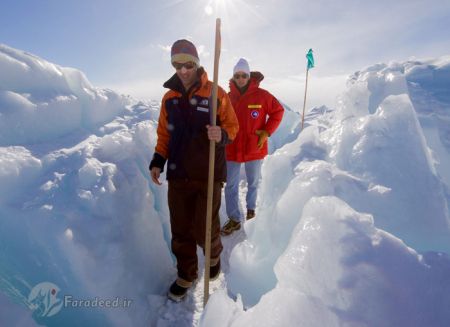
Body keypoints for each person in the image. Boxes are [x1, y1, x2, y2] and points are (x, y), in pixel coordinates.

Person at [149, 39, 239, 302]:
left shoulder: (216, 94)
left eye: (188, 64)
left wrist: (220, 133)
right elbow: (164, 134)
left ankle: (213, 256)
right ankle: (186, 274)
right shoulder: (169, 98)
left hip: (208, 172)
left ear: (197, 64)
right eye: (177, 64)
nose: (183, 70)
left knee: (204, 227)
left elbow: (233, 128)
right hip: (178, 174)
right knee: (181, 229)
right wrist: (157, 160)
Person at [221, 58, 284, 236]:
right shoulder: (227, 97)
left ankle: (250, 212)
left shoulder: (262, 95)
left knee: (253, 183)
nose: (240, 78)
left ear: (249, 76)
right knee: (231, 185)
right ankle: (234, 219)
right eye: (237, 75)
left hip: (254, 147)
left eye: (244, 75)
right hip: (232, 148)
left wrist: (267, 131)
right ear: (233, 77)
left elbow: (278, 111)